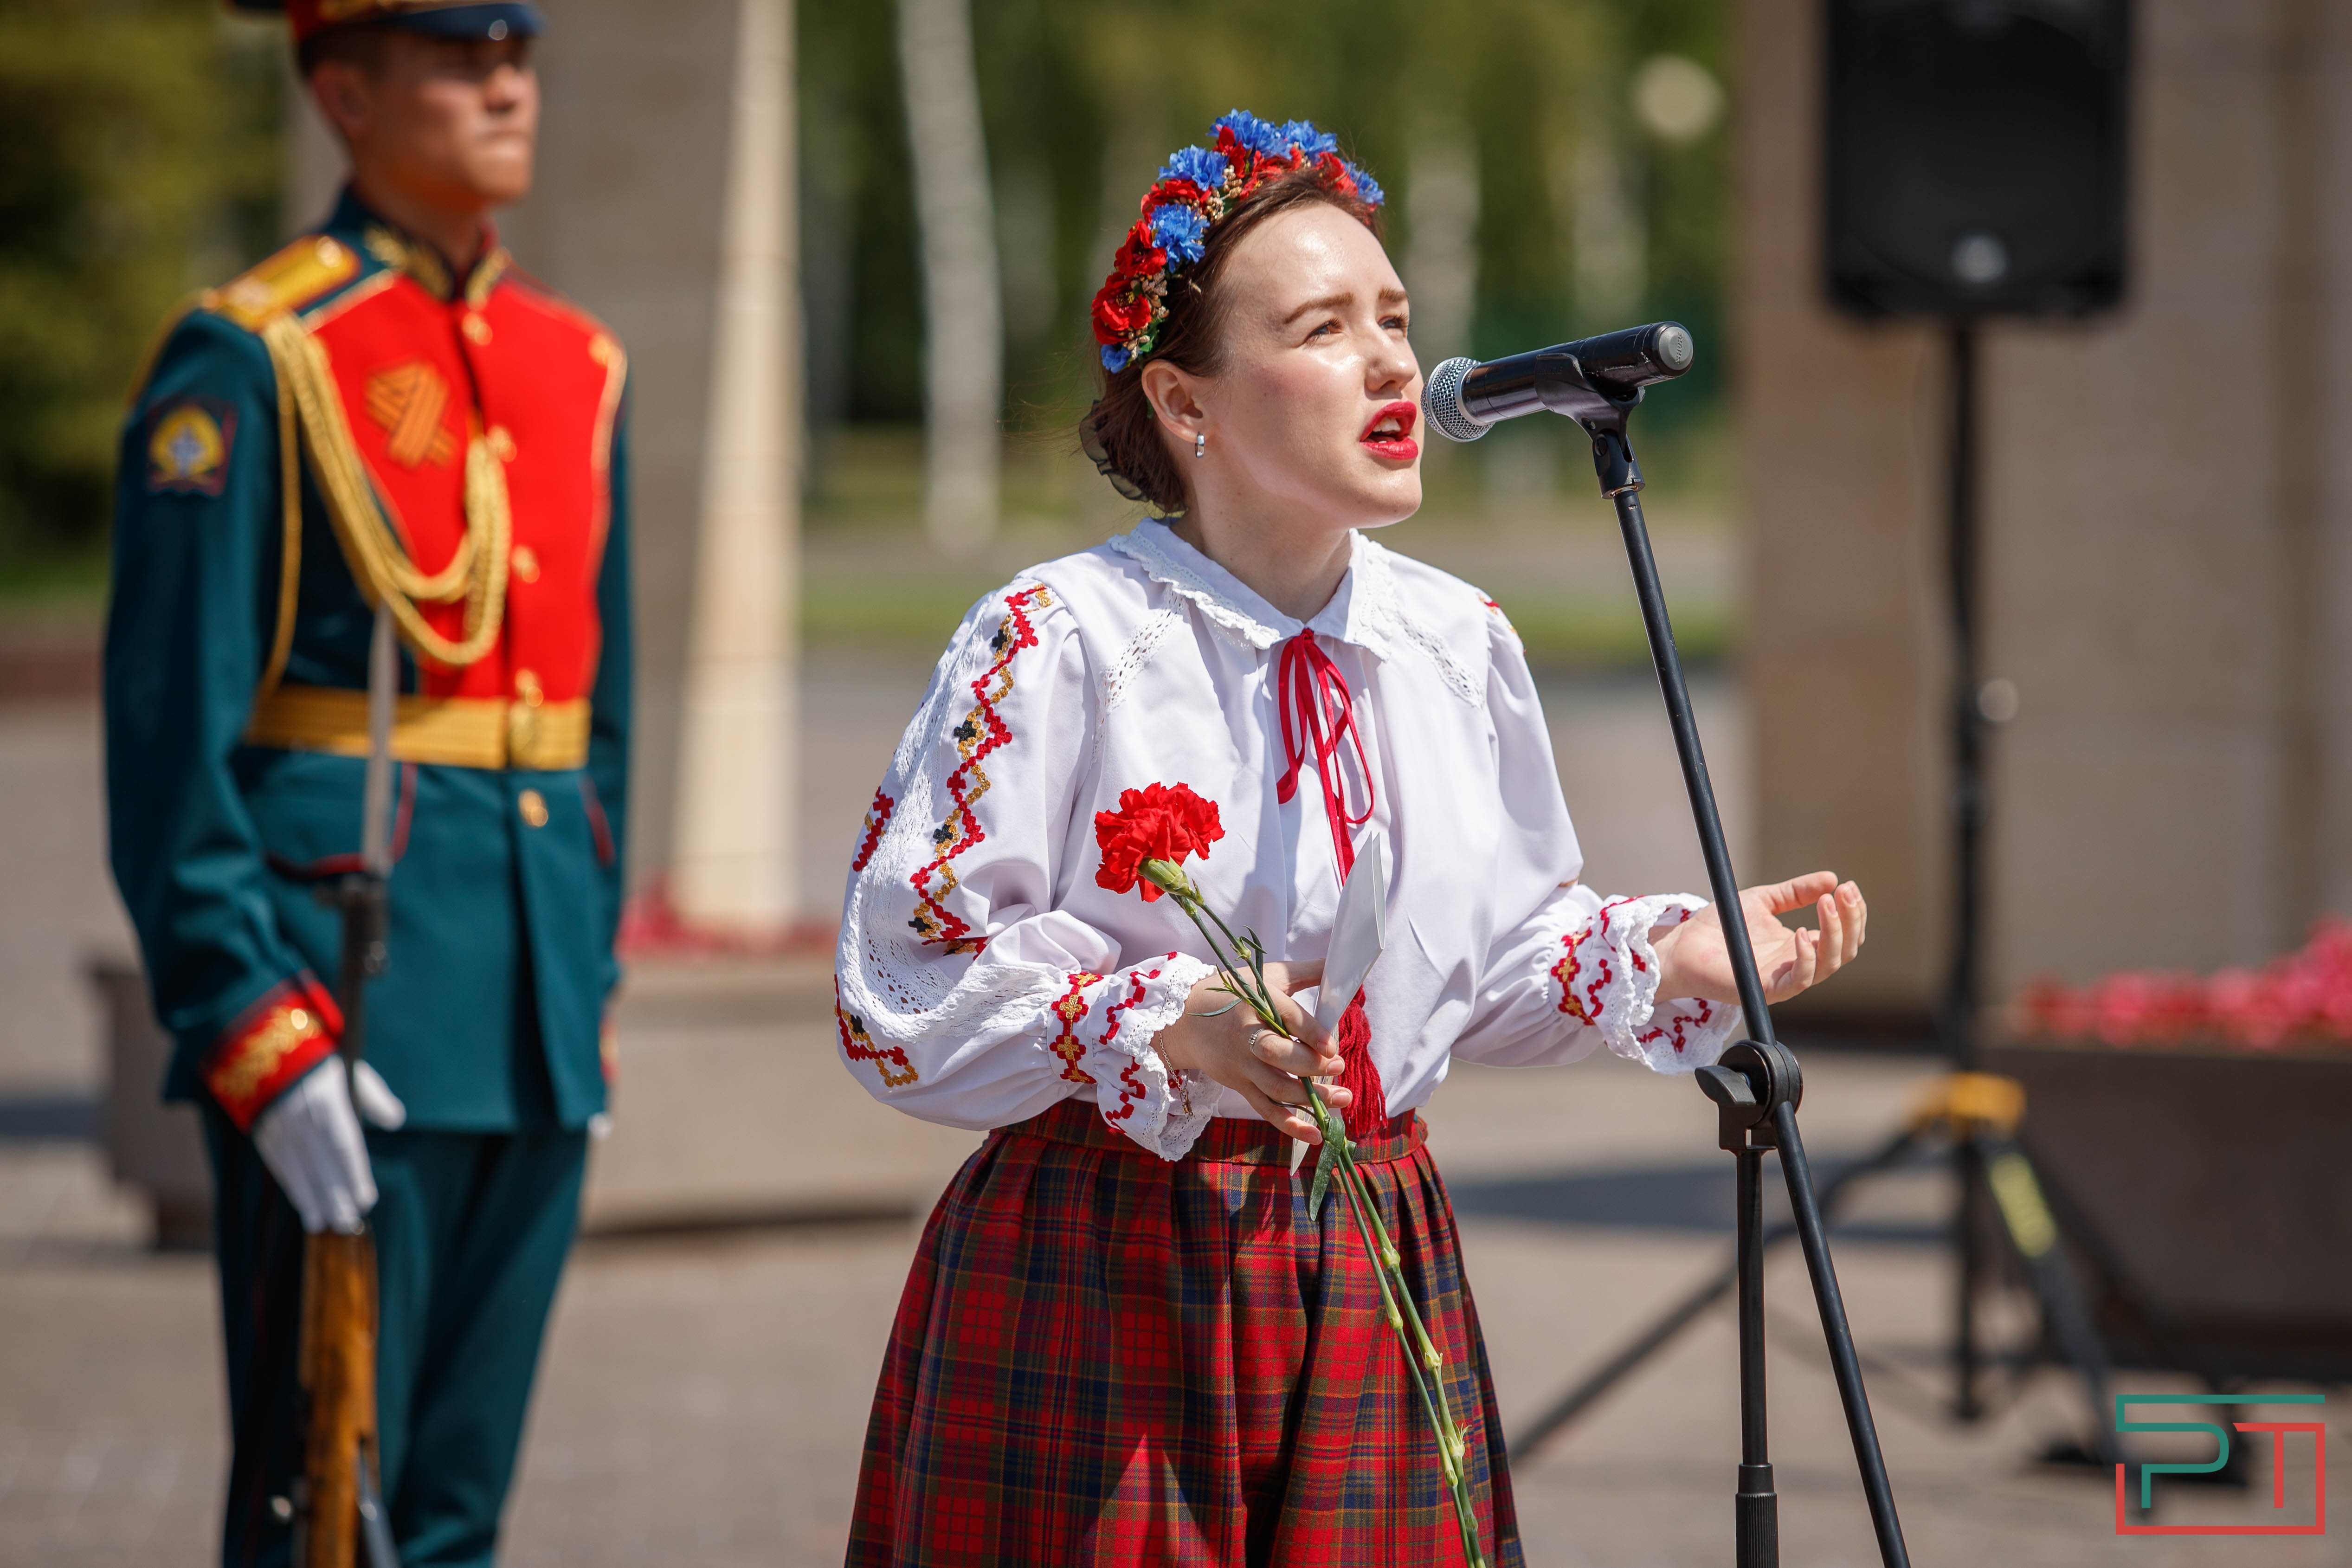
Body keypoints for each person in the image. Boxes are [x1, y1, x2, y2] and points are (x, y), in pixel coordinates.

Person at [833, 111, 1868, 1567]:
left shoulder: (1452, 639)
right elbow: (903, 989)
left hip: (1369, 1245)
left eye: (1394, 315)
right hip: (1110, 1249)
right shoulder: (1060, 639)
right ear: (1187, 403)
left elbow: (1484, 958)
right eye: (1323, 328)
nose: (1394, 363)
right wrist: (1168, 1019)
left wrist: (1666, 949)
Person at [105, 3, 629, 1563]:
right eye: (457, 55)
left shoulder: (574, 360)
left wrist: (585, 969)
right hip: (351, 999)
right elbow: (167, 736)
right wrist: (246, 1024)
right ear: (343, 90)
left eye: (515, 52)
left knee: (460, 1510)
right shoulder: (256, 351)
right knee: (322, 1507)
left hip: (531, 1006)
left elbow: (604, 721)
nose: (505, 81)